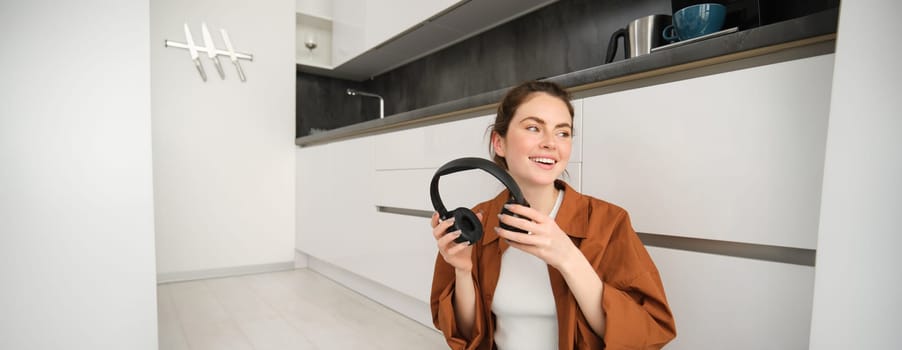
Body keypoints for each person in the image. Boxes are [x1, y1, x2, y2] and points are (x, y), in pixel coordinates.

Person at [430, 81, 676, 349]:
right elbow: (467, 337)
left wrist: (568, 257)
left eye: (563, 133)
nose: (550, 143)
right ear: (499, 143)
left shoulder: (609, 222)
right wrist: (463, 271)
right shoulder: (476, 223)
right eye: (534, 128)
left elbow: (646, 334)